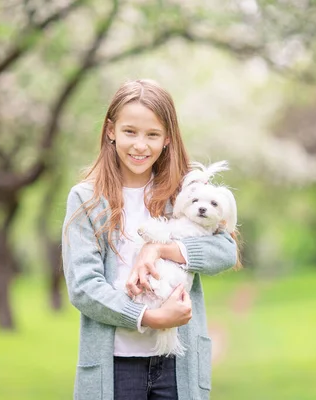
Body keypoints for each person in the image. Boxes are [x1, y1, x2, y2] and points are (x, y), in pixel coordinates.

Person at [62, 79, 237, 400]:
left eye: (152, 135)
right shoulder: (86, 199)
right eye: (130, 132)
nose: (140, 145)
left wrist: (161, 248)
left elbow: (225, 251)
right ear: (110, 130)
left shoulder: (183, 193)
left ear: (167, 138)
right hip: (115, 365)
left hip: (177, 363)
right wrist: (150, 317)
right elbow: (84, 287)